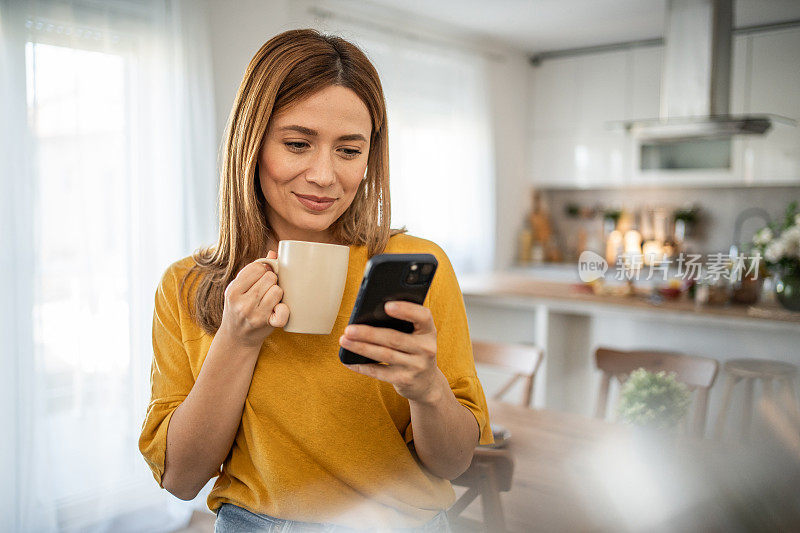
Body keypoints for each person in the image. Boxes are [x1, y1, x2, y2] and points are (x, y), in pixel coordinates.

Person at [138, 28, 493, 532]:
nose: (325, 175)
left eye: (349, 151)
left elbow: (454, 463)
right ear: (251, 143)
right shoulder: (187, 285)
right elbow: (181, 478)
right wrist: (237, 339)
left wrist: (428, 390)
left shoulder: (414, 264)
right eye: (298, 144)